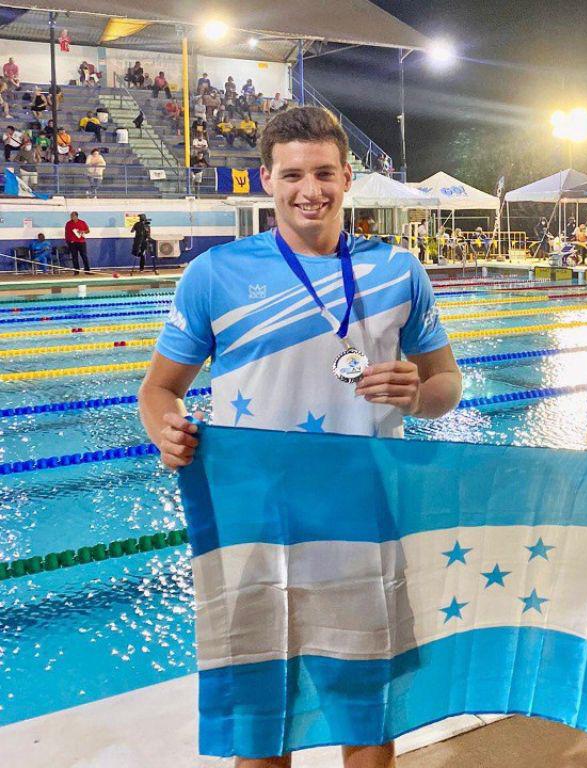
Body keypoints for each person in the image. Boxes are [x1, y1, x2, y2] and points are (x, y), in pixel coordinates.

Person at [137, 108, 462, 768]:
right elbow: (158, 389)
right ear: (267, 178)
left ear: (348, 176)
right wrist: (162, 428)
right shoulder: (214, 274)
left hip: (363, 526)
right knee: (263, 727)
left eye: (323, 173)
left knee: (367, 722)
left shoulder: (398, 270)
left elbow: (446, 386)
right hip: (256, 533)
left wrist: (418, 393)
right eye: (292, 175)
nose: (309, 190)